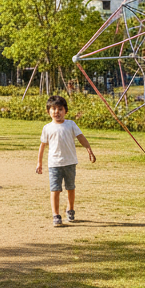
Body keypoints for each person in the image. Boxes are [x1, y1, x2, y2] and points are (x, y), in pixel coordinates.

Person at [35, 94, 96, 228]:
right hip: (54, 164)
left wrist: (88, 149)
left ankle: (70, 209)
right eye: (53, 109)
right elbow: (42, 145)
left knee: (70, 187)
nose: (57, 112)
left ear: (65, 111)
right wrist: (39, 163)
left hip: (70, 162)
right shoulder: (47, 128)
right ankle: (56, 215)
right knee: (55, 189)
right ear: (48, 111)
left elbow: (81, 137)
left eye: (60, 109)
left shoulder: (71, 124)